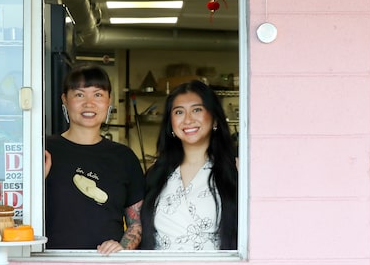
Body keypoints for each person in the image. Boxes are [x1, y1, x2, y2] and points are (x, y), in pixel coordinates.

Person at [44, 64, 145, 254]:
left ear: (109, 101)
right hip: (49, 261)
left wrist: (121, 248)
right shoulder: (45, 151)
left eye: (98, 95)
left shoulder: (124, 157)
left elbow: (137, 224)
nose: (89, 103)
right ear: (65, 100)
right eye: (79, 94)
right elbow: (15, 211)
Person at [140, 80, 238, 251]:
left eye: (197, 109)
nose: (188, 119)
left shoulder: (235, 170)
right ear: (171, 124)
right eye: (179, 112)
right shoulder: (156, 173)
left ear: (214, 118)